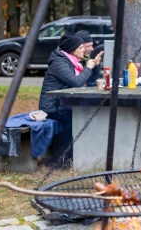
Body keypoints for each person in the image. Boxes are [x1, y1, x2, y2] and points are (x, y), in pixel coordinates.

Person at [39, 33, 101, 163]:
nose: (84, 49)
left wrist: (95, 66)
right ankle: (61, 159)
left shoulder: (72, 62)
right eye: (80, 48)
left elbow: (88, 81)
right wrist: (89, 67)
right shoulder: (59, 62)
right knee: (75, 120)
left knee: (86, 114)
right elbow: (76, 82)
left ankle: (80, 155)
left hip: (62, 104)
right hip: (53, 107)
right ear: (72, 50)